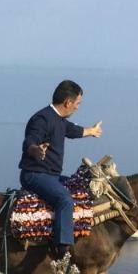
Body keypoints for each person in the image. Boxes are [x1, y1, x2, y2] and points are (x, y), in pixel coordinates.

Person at [19, 80, 103, 259]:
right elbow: (30, 141)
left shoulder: (59, 120)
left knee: (80, 187)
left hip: (51, 176)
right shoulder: (42, 118)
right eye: (77, 103)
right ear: (68, 102)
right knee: (65, 200)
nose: (78, 108)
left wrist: (92, 131)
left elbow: (73, 131)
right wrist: (36, 150)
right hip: (35, 175)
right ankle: (63, 249)